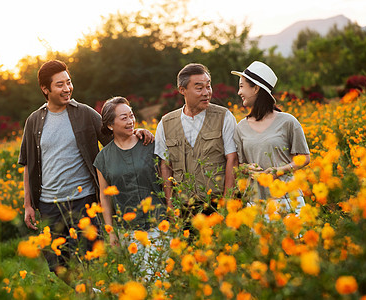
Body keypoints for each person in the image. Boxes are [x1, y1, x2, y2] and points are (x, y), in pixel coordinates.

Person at [18, 60, 153, 284]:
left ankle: (95, 291)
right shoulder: (34, 121)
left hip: (85, 200)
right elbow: (28, 164)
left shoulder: (85, 114)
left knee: (92, 258)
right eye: (59, 85)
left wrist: (135, 130)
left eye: (69, 82)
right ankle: (87, 292)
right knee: (57, 264)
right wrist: (28, 204)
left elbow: (115, 135)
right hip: (49, 204)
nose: (67, 88)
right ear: (45, 89)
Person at [155, 63, 238, 216]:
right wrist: (170, 205)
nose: (206, 92)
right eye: (199, 88)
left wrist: (227, 203)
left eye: (208, 86)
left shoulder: (224, 117)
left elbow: (232, 159)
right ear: (182, 90)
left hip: (216, 204)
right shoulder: (166, 123)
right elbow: (166, 166)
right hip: (184, 208)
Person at [231, 61, 310, 214]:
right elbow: (239, 164)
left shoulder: (288, 121)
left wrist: (278, 171)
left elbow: (304, 158)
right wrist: (248, 168)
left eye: (241, 86)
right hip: (256, 201)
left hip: (288, 198)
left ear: (255, 88)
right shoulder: (240, 127)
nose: (239, 92)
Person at [93, 97, 166, 247]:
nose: (130, 121)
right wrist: (111, 232)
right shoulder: (103, 158)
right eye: (124, 118)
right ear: (110, 125)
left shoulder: (150, 144)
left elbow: (166, 179)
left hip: (160, 223)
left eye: (131, 115)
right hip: (129, 230)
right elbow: (105, 197)